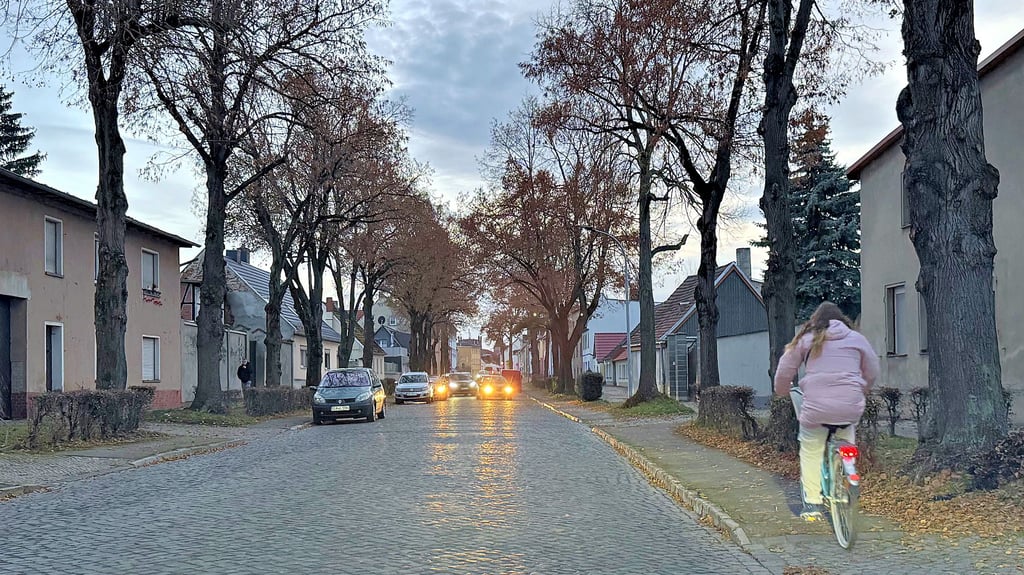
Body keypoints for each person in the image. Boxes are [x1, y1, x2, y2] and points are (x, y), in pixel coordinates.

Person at [773, 301, 880, 521]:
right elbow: (873, 369)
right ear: (842, 320)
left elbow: (785, 368)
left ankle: (812, 504)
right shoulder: (856, 339)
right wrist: (863, 389)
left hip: (816, 409)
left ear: (816, 321)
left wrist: (782, 392)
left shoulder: (808, 339)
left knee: (811, 449)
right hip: (849, 407)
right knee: (846, 437)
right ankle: (848, 467)